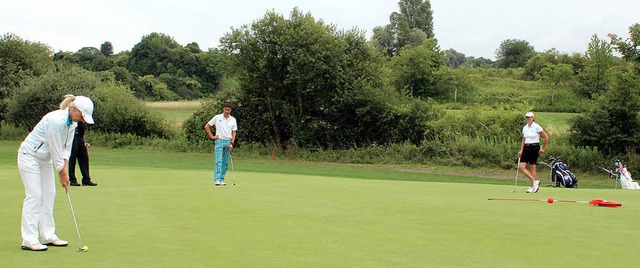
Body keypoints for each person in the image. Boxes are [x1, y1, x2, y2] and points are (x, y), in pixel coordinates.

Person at [17, 95, 95, 251]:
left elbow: (66, 148)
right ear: (74, 109)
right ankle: (29, 240)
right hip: (29, 157)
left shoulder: (72, 123)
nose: (83, 120)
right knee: (35, 196)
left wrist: (64, 168)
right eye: (82, 116)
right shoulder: (55, 120)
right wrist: (63, 173)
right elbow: (55, 148)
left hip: (44, 159)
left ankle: (47, 235)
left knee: (49, 194)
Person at [204, 103, 237, 186]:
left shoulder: (233, 119)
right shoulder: (217, 117)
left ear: (230, 110)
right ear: (223, 109)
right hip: (219, 141)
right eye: (225, 109)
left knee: (225, 163)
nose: (227, 111)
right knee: (218, 161)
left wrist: (231, 143)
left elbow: (234, 132)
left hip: (228, 141)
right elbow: (207, 126)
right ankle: (217, 179)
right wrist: (212, 136)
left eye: (228, 110)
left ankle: (222, 179)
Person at [517, 112, 549, 193]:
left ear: (533, 118)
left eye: (529, 117)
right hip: (526, 147)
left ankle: (532, 187)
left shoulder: (537, 127)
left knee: (532, 167)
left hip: (534, 147)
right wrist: (521, 150)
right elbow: (524, 140)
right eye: (527, 117)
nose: (528, 118)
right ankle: (534, 181)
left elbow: (546, 137)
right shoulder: (525, 127)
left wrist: (543, 148)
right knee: (521, 167)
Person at [69, 121, 97, 186]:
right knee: (72, 159)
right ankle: (72, 180)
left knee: (84, 157)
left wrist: (84, 141)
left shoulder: (81, 118)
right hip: (73, 138)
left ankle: (86, 180)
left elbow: (82, 131)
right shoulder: (72, 117)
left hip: (80, 138)